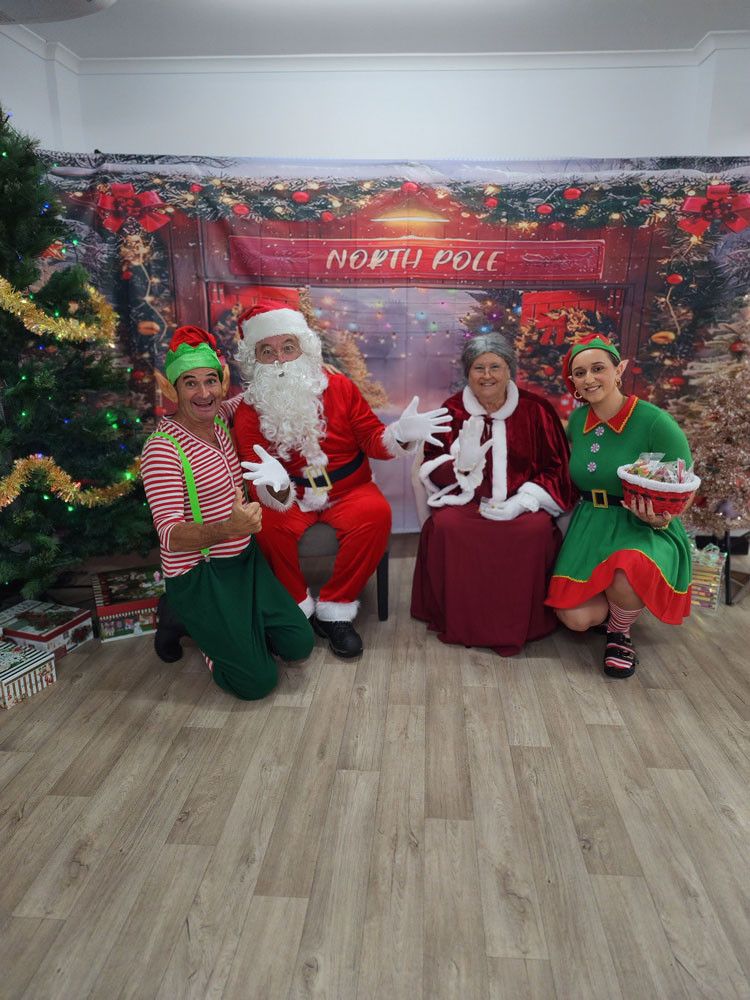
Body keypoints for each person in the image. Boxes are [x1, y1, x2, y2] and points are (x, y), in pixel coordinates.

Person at [232, 300, 451, 658]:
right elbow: (254, 474)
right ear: (254, 359)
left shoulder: (340, 386)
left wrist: (399, 435)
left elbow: (370, 438)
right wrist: (274, 487)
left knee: (376, 514)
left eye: (288, 347)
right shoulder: (248, 409)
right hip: (289, 496)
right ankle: (297, 607)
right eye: (267, 351)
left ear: (304, 347)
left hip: (349, 488)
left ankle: (335, 609)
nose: (280, 359)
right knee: (266, 524)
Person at [140, 325, 314, 700]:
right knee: (257, 683)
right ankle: (194, 626)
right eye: (190, 383)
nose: (204, 393)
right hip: (202, 574)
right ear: (173, 390)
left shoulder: (220, 419)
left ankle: (239, 630)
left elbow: (263, 389)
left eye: (210, 381)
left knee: (300, 645)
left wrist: (304, 367)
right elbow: (168, 533)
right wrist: (228, 528)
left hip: (245, 562)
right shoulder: (162, 451)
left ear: (222, 383)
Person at [410, 332, 576, 655]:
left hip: (523, 506)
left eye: (495, 367)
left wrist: (524, 501)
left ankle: (520, 624)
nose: (487, 376)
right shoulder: (453, 410)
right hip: (465, 502)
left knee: (535, 531)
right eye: (478, 368)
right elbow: (429, 465)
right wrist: (460, 465)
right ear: (467, 373)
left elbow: (558, 469)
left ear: (509, 370)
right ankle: (463, 622)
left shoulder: (537, 410)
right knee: (447, 528)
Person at [545, 332, 694, 677]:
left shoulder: (656, 422)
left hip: (642, 526)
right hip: (590, 523)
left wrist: (659, 520)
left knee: (627, 569)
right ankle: (613, 609)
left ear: (619, 370)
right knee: (576, 620)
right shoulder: (578, 422)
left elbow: (680, 487)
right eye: (579, 373)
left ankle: (620, 632)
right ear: (574, 384)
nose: (589, 378)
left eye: (598, 368)